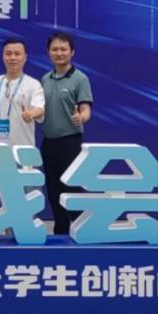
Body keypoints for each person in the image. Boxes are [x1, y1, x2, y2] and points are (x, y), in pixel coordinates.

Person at [40, 31, 93, 235]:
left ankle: (82, 231)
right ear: (48, 52)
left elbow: (85, 108)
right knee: (53, 191)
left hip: (70, 143)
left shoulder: (80, 78)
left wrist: (82, 117)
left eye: (63, 49)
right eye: (55, 49)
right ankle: (60, 232)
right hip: (48, 143)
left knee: (71, 189)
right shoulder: (45, 79)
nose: (59, 53)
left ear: (72, 52)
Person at [0, 38, 45, 148]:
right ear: (3, 56)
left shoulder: (33, 84)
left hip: (23, 150)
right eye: (8, 54)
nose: (12, 58)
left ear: (25, 57)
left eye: (17, 54)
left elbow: (40, 108)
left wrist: (31, 114)